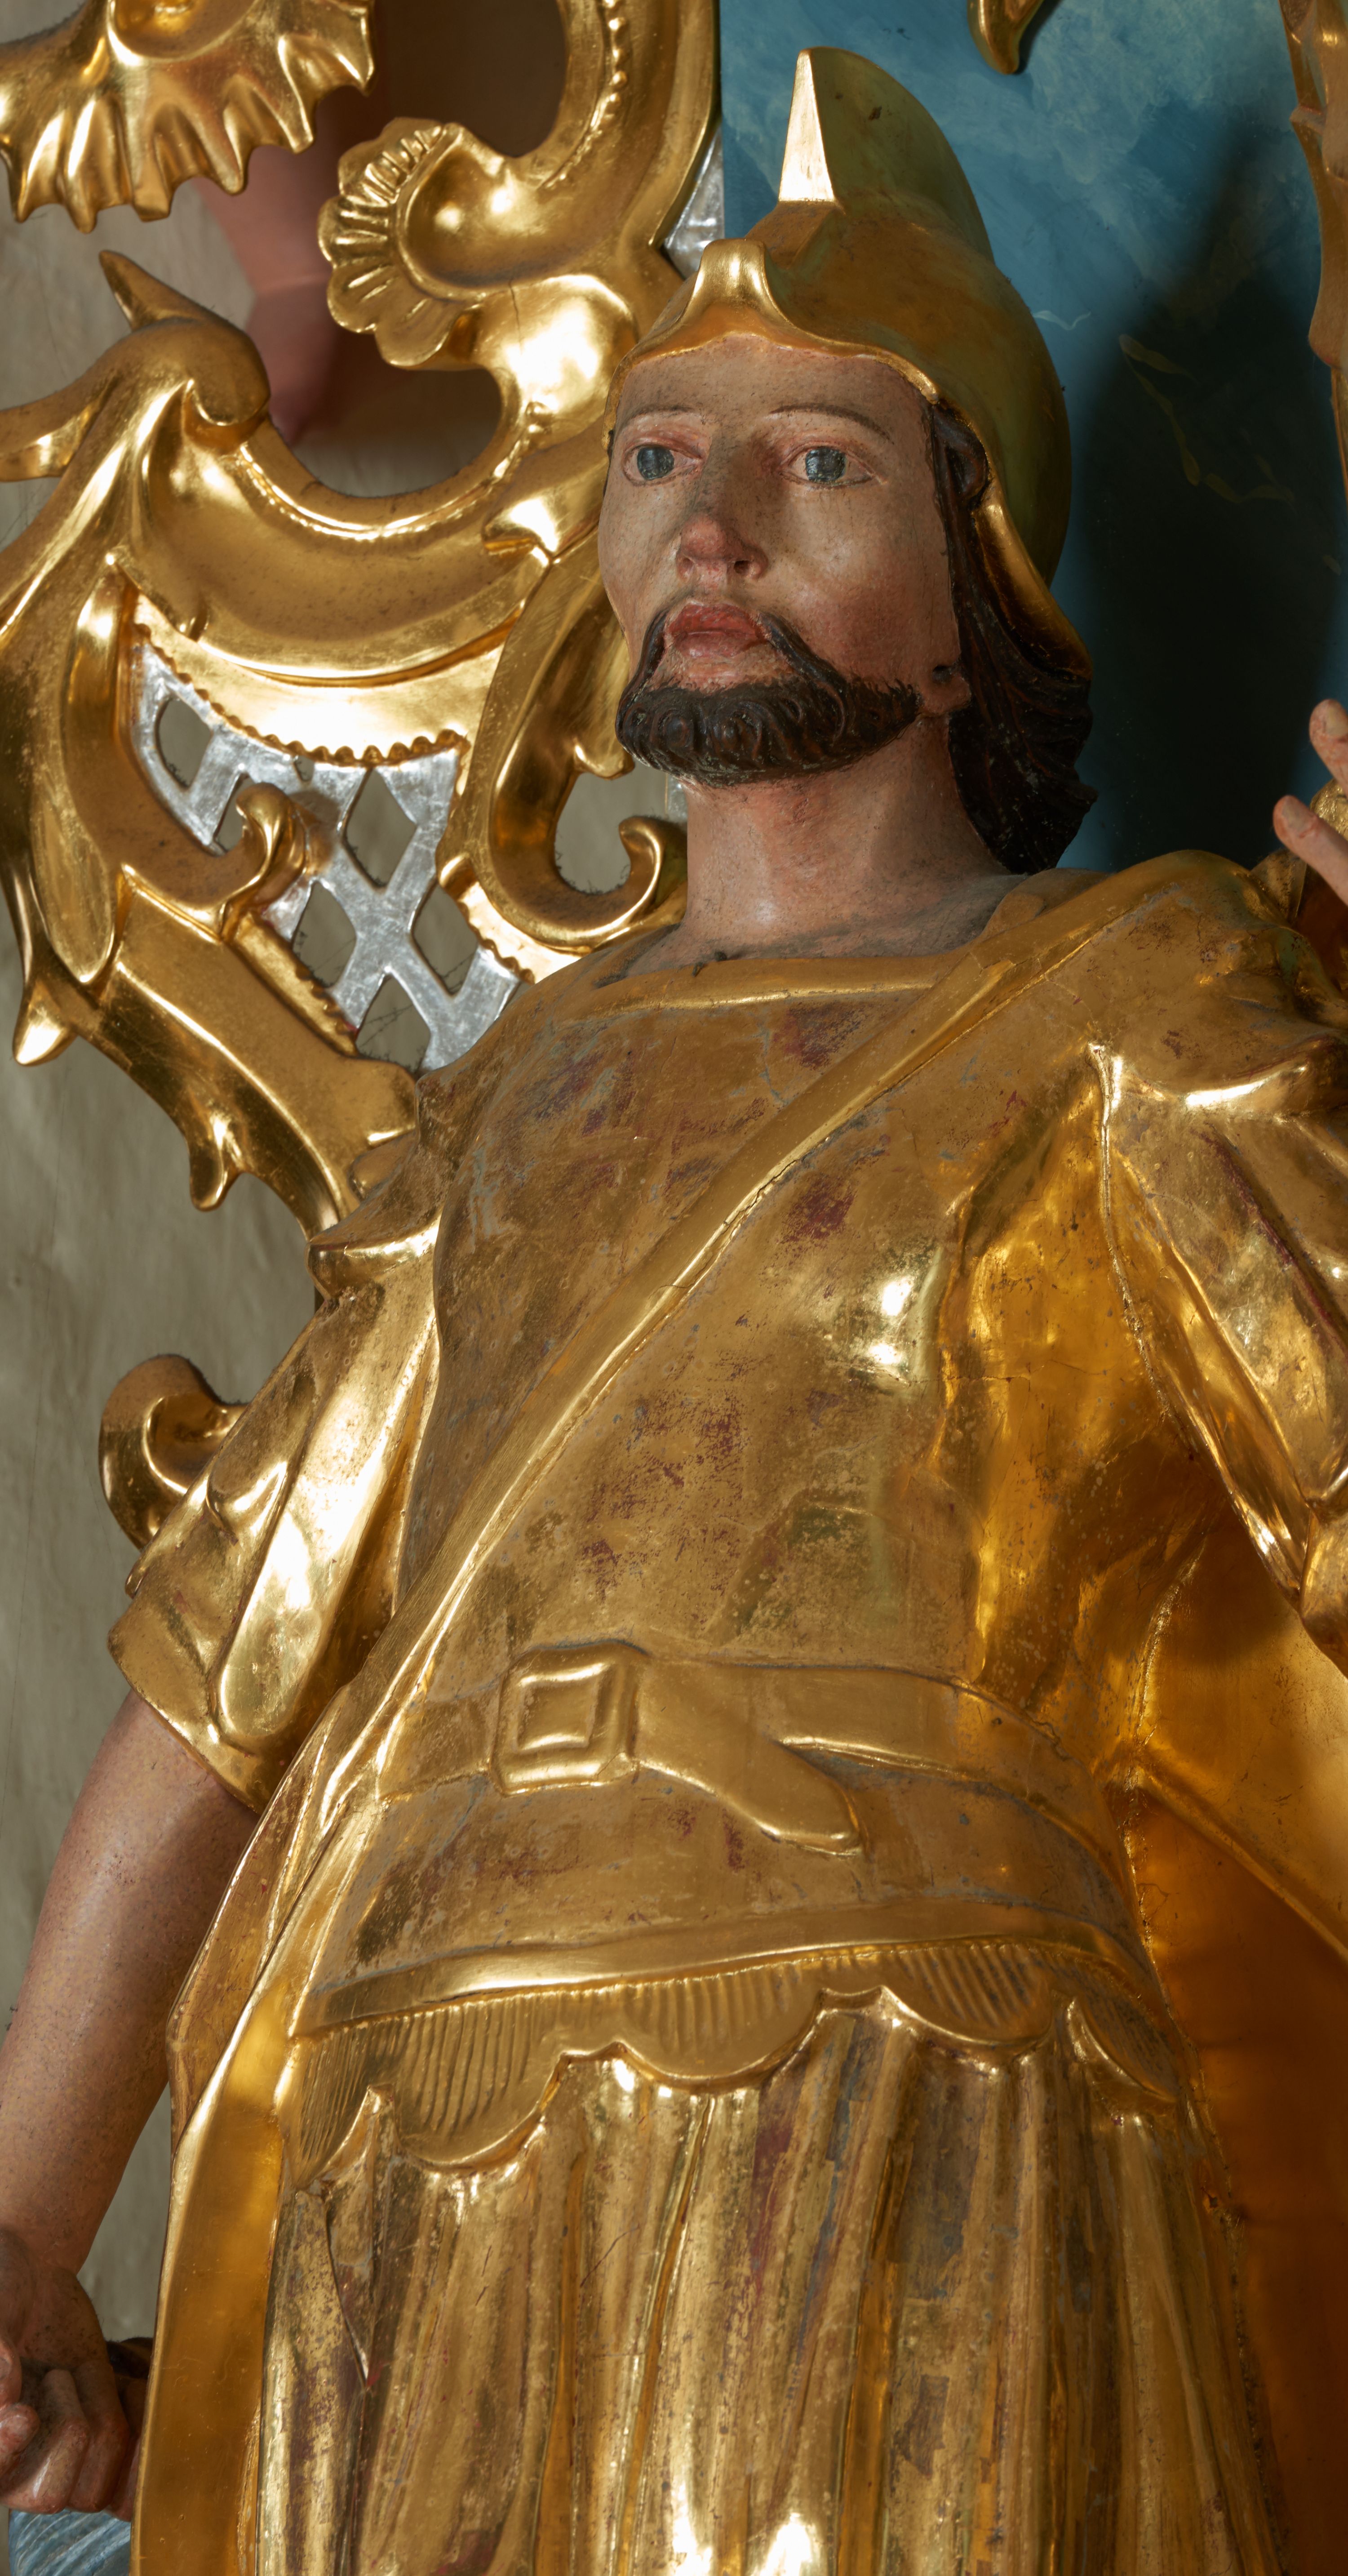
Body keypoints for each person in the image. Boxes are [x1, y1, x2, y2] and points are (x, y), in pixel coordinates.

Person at [4, 45, 1348, 2573]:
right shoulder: (500, 1104)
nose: (709, 521)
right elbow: (229, 1653)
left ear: (980, 593)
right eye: (656, 456)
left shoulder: (1138, 1000)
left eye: (818, 460)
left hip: (921, 2071)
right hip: (436, 2120)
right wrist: (22, 2222)